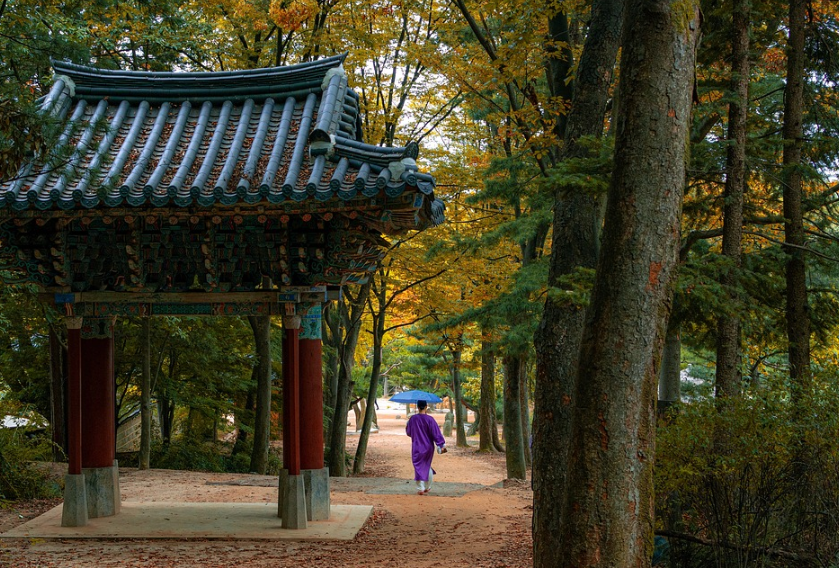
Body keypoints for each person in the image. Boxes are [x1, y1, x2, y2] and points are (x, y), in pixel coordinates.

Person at [406, 399, 447, 495]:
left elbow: (409, 433)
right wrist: (441, 444)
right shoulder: (430, 419)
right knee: (427, 465)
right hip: (428, 447)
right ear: (426, 406)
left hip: (417, 446)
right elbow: (436, 433)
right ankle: (427, 487)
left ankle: (420, 487)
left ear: (417, 407)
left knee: (418, 466)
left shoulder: (413, 419)